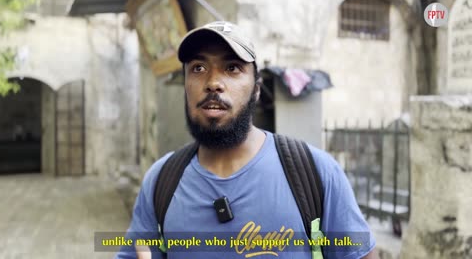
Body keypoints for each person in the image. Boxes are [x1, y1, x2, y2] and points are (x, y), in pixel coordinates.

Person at [115, 21, 377, 259]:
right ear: (185, 86)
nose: (213, 82)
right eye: (198, 68)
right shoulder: (160, 181)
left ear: (256, 90)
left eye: (232, 68)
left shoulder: (316, 173)